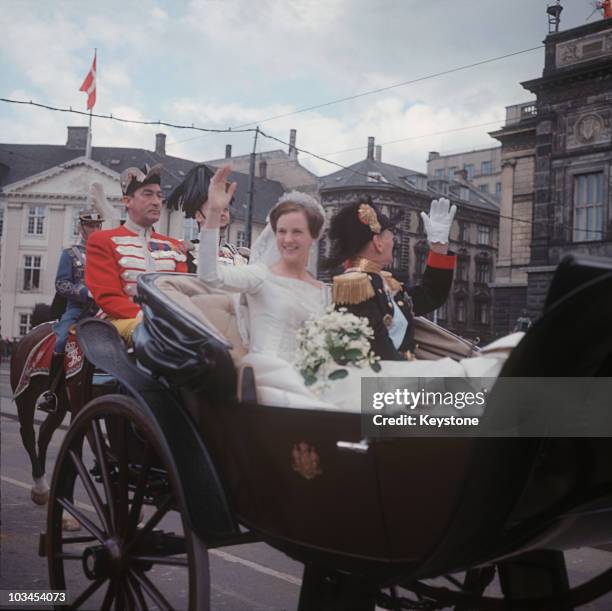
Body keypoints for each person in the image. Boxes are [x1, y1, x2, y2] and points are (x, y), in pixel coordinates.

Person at [198, 167, 519, 411]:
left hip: (321, 375)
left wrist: (438, 246)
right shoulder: (261, 276)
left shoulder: (324, 291)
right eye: (282, 231)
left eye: (297, 231)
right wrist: (213, 213)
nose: (288, 239)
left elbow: (427, 297)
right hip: (273, 376)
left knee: (445, 379)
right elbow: (210, 276)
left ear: (313, 238)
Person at [328, 197, 456, 360]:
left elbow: (431, 296)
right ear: (378, 243)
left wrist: (439, 249)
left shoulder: (382, 281)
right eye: (391, 235)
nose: (394, 241)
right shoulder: (356, 286)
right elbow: (381, 351)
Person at [85, 164, 188, 345]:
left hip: (170, 323)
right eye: (148, 194)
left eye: (159, 195)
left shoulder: (173, 246)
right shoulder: (102, 240)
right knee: (154, 336)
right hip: (119, 321)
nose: (157, 202)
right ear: (127, 201)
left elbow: (183, 293)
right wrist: (149, 318)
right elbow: (108, 297)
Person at [35, 209, 104, 413]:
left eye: (97, 225)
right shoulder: (70, 254)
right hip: (76, 310)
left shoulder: (104, 254)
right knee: (62, 340)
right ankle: (51, 393)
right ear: (81, 228)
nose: (94, 229)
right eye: (90, 225)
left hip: (101, 310)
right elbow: (61, 284)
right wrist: (84, 292)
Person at [166, 163, 248, 273]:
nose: (222, 213)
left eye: (225, 209)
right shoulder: (186, 252)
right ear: (199, 216)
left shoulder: (238, 255)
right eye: (214, 209)